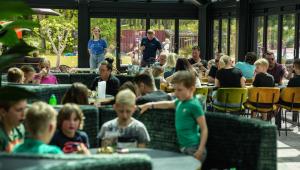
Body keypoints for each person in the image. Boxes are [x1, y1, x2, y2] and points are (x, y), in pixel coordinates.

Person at [139, 71, 208, 167]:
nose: (176, 93)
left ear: (192, 89)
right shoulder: (180, 102)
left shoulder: (194, 105)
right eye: (175, 89)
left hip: (194, 148)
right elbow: (167, 104)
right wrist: (149, 105)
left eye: (180, 90)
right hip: (184, 147)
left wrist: (200, 149)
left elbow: (204, 128)